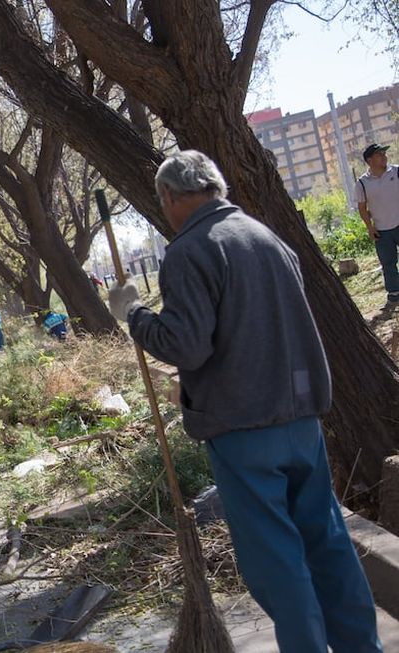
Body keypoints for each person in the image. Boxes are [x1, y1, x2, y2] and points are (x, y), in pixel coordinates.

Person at [108, 150, 381, 653]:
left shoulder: (191, 251)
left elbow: (186, 345)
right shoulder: (267, 238)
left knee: (277, 563)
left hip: (244, 429)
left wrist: (135, 315)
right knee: (327, 544)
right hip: (301, 420)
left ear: (169, 196)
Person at [356, 143, 399, 310]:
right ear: (369, 160)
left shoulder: (396, 171)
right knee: (388, 263)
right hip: (382, 230)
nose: (384, 157)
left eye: (384, 154)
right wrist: (370, 227)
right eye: (379, 154)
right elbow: (362, 207)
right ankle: (394, 295)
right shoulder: (362, 183)